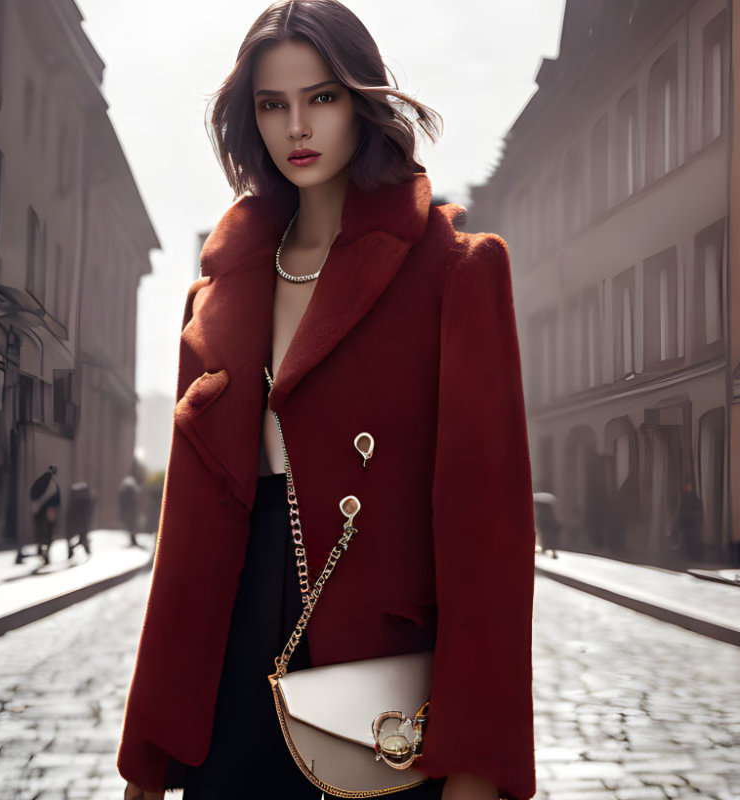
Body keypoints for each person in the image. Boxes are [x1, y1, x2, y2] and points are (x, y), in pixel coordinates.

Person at [118, 3, 535, 800]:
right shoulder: (217, 294)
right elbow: (186, 549)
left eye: (322, 97)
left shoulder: (454, 270)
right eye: (272, 105)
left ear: (362, 103)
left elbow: (490, 540)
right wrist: (151, 753)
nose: (296, 127)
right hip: (231, 669)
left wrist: (477, 765)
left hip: (378, 686)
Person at [29, 465, 60, 565]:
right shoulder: (51, 483)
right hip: (47, 511)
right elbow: (55, 497)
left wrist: (35, 505)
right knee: (48, 533)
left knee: (41, 532)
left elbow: (32, 493)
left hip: (39, 510)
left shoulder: (41, 481)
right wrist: (52, 508)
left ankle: (41, 549)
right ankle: (45, 552)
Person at [66, 481, 94, 559]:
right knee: (83, 538)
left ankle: (73, 551)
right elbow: (89, 511)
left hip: (77, 521)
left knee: (80, 538)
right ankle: (83, 550)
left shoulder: (75, 497)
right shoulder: (85, 497)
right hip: (81, 521)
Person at [117, 476, 140, 547]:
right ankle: (133, 540)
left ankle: (133, 540)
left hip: (128, 511)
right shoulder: (131, 491)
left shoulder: (124, 491)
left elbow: (121, 503)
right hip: (130, 511)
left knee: (131, 526)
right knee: (131, 526)